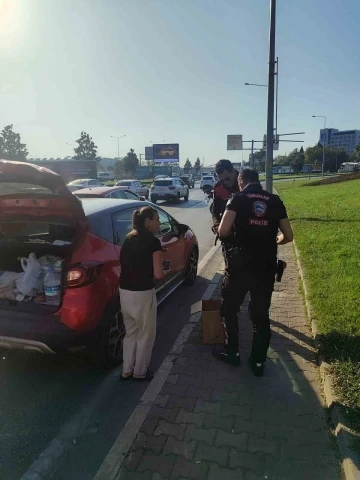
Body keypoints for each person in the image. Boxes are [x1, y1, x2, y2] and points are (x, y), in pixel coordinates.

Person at [215, 168, 293, 376]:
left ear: (241, 181)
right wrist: (275, 240)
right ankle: (258, 362)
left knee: (230, 309)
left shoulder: (237, 199)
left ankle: (233, 353)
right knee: (260, 315)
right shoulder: (275, 200)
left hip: (239, 267)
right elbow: (288, 236)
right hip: (265, 267)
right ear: (257, 181)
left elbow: (223, 231)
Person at [119, 206, 169, 381]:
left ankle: (127, 370)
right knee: (146, 333)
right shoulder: (153, 241)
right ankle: (140, 372)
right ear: (148, 222)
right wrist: (167, 270)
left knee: (131, 331)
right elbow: (158, 274)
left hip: (124, 292)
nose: (159, 222)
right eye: (156, 219)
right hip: (143, 292)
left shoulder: (128, 238)